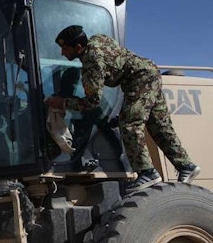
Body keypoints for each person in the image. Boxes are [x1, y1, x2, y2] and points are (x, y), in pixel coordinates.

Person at [45, 25, 200, 192]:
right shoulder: (98, 39)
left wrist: (63, 103)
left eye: (65, 48)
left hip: (138, 80)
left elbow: (92, 102)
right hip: (150, 72)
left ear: (78, 47)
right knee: (159, 126)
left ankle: (147, 172)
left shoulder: (91, 61)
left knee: (130, 124)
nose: (62, 53)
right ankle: (186, 165)